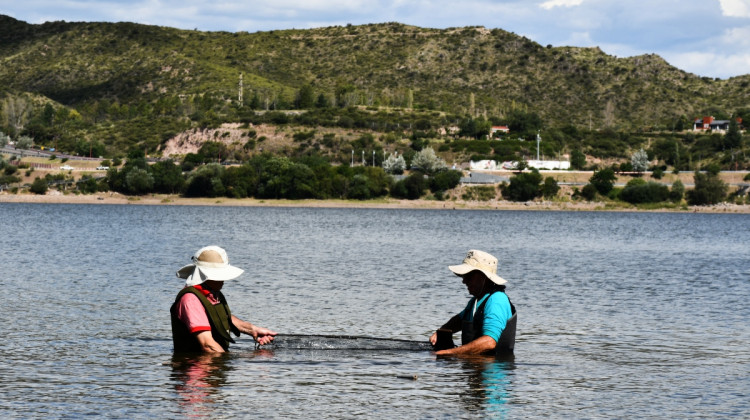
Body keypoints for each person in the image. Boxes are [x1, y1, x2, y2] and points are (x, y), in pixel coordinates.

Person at [170, 246, 277, 353]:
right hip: (194, 366)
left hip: (213, 364)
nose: (224, 279)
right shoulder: (191, 300)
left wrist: (252, 329)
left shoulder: (213, 293)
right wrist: (231, 362)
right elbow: (208, 345)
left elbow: (220, 318)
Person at [430, 250, 516, 356]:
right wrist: (442, 331)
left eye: (469, 276)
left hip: (492, 370)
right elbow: (460, 320)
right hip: (475, 368)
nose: (464, 281)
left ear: (483, 277)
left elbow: (489, 342)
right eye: (463, 276)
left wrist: (449, 353)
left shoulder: (497, 300)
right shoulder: (476, 301)